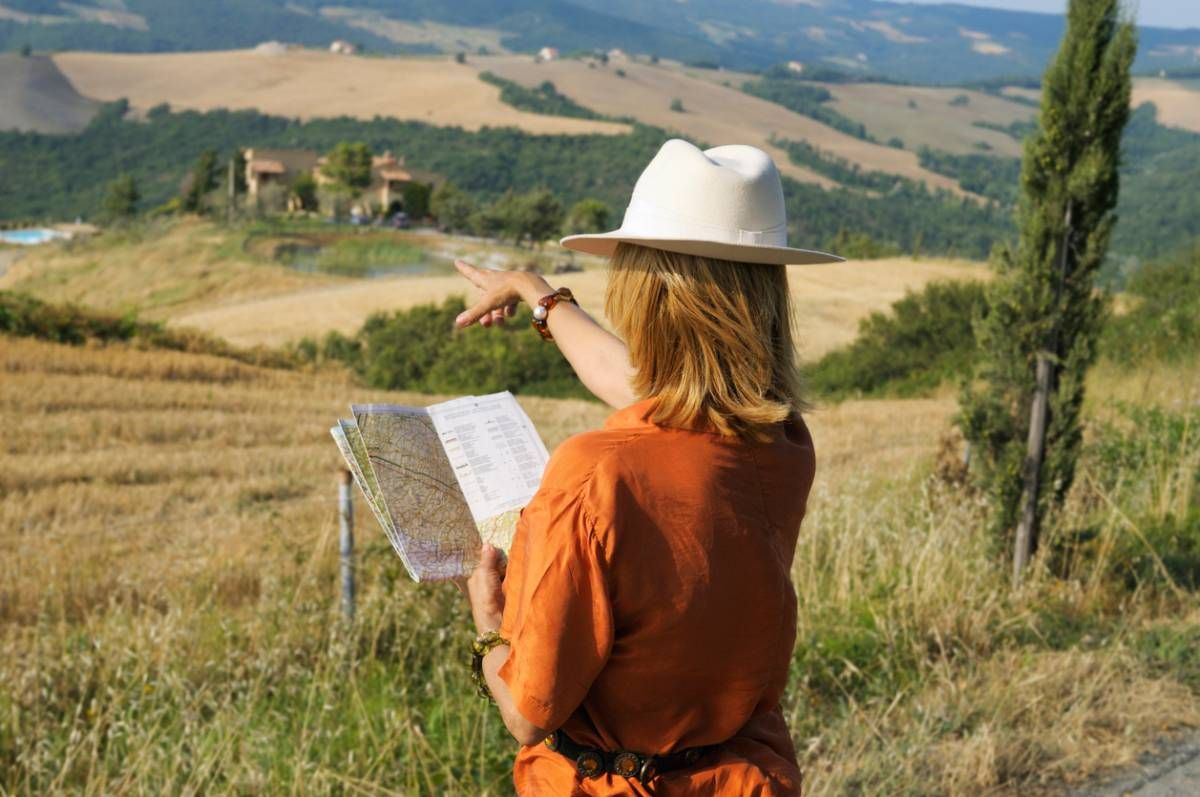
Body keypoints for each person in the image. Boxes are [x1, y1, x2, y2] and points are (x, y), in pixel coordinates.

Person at [453, 138, 842, 795]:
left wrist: (489, 625)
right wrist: (535, 292)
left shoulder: (596, 476)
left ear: (646, 297)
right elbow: (648, 387)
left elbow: (526, 712)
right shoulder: (780, 441)